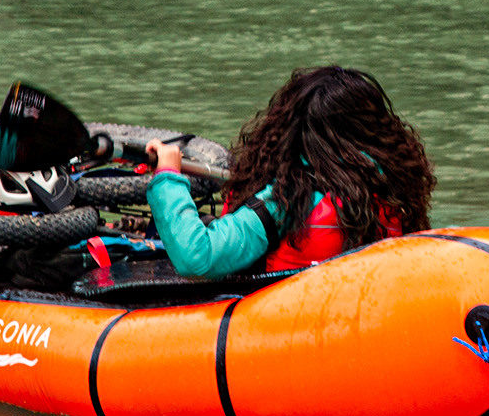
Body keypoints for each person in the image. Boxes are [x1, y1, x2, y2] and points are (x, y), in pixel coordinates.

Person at [145, 66, 435, 277]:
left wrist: (168, 176)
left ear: (289, 132)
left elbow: (198, 258)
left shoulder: (287, 199)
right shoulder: (393, 186)